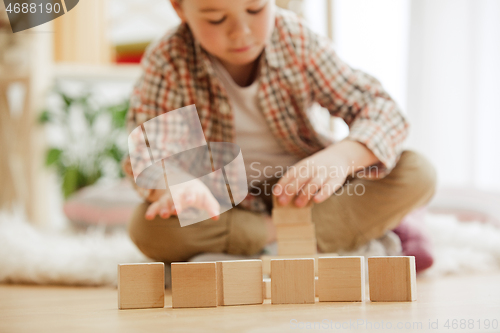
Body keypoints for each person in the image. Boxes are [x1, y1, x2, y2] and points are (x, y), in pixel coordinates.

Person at [122, 0, 437, 272]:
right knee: (147, 228)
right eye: (216, 18)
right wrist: (178, 184)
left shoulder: (295, 38)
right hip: (229, 206)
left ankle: (263, 246)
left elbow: (381, 109)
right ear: (180, 8)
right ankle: (305, 238)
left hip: (310, 192)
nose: (240, 32)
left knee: (417, 172)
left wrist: (341, 158)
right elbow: (151, 155)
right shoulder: (168, 59)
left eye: (256, 8)